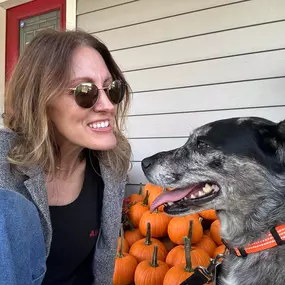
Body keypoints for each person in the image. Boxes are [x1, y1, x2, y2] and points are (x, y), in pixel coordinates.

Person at [0, 29, 131, 285]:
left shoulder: (111, 163)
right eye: (85, 91)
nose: (108, 105)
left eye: (111, 88)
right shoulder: (3, 165)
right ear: (40, 100)